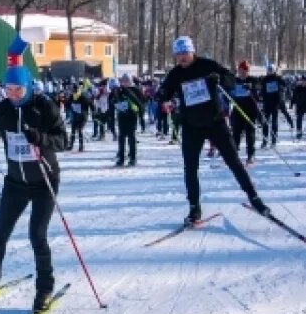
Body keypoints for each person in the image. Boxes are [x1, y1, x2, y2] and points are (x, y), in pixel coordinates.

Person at [0, 36, 66, 313]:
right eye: (8, 89)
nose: (13, 95)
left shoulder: (44, 107)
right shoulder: (3, 110)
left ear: (28, 86)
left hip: (44, 181)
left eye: (18, 90)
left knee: (37, 235)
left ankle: (44, 288)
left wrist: (39, 137)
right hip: (15, 183)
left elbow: (62, 141)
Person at [158, 36, 269, 225]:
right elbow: (163, 91)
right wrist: (164, 100)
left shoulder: (207, 65)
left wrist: (220, 79)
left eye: (185, 53)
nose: (182, 58)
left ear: (192, 51)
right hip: (191, 125)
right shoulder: (176, 73)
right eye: (178, 54)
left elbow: (231, 81)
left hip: (214, 122)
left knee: (234, 161)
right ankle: (194, 208)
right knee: (190, 168)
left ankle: (254, 197)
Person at [227, 61, 263, 163]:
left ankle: (250, 155)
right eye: (241, 70)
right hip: (238, 110)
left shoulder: (252, 80)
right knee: (236, 133)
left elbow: (258, 87)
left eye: (245, 71)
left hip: (250, 111)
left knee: (250, 134)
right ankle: (234, 155)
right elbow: (228, 89)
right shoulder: (235, 80)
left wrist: (252, 87)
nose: (243, 73)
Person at [110, 75, 145, 167]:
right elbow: (112, 102)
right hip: (121, 116)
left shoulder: (134, 90)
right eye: (123, 81)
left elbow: (140, 102)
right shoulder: (118, 91)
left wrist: (141, 117)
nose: (124, 83)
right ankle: (121, 158)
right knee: (121, 137)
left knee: (131, 137)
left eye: (126, 81)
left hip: (131, 116)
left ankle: (133, 158)